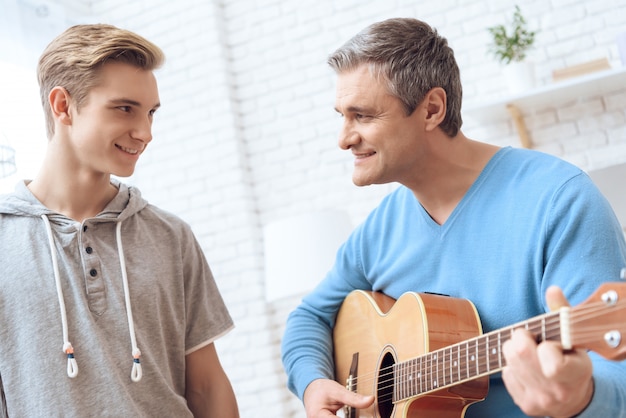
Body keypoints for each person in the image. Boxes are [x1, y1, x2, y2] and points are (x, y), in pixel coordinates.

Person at [281, 17, 626, 418]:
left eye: (363, 116)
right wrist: (312, 383)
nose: (344, 138)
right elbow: (307, 318)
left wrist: (581, 398)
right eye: (341, 115)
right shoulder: (378, 231)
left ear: (431, 109)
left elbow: (617, 380)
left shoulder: (559, 200)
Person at [0, 24, 239, 417]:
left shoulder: (170, 236)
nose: (144, 132)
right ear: (63, 106)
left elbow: (207, 386)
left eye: (151, 113)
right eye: (124, 108)